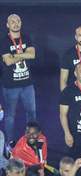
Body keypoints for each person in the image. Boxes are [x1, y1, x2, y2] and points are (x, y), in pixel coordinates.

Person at [1, 14, 36, 145]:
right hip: (10, 86)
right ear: (7, 25)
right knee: (10, 116)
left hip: (28, 84)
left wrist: (15, 55)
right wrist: (23, 54)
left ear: (21, 23)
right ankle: (9, 143)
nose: (15, 23)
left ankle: (30, 140)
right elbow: (8, 61)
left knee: (32, 113)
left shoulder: (26, 38)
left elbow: (32, 55)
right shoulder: (4, 41)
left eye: (17, 21)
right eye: (12, 22)